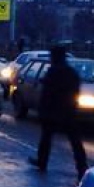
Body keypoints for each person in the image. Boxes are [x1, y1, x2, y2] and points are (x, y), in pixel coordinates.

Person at [29, 46, 88, 179]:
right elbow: (76, 91)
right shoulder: (71, 72)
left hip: (52, 111)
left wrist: (42, 110)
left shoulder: (53, 72)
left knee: (46, 138)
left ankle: (42, 162)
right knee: (75, 141)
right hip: (68, 111)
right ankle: (82, 167)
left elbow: (47, 94)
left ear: (54, 57)